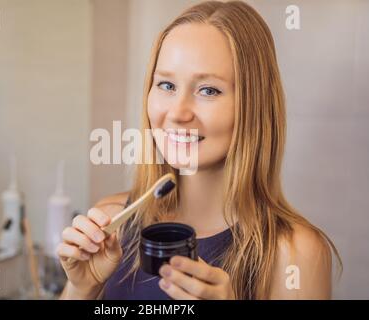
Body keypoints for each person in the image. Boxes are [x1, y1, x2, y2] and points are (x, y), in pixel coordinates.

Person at [58, 0, 341, 300]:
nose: (178, 112)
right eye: (166, 85)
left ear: (253, 107)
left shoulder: (296, 255)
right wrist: (81, 288)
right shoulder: (110, 222)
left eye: (208, 90)